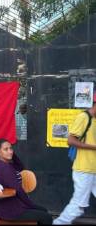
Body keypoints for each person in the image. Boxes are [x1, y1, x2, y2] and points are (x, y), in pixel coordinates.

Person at [53, 93, 96, 225]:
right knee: (79, 205)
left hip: (94, 169)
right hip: (84, 169)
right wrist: (94, 147)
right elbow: (71, 140)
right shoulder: (84, 117)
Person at [0, 139, 53, 225]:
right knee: (46, 217)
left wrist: (10, 155)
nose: (10, 151)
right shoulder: (4, 168)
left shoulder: (4, 163)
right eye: (5, 149)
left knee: (44, 211)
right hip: (11, 211)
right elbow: (18, 190)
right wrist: (30, 205)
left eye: (11, 148)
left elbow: (20, 167)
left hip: (14, 206)